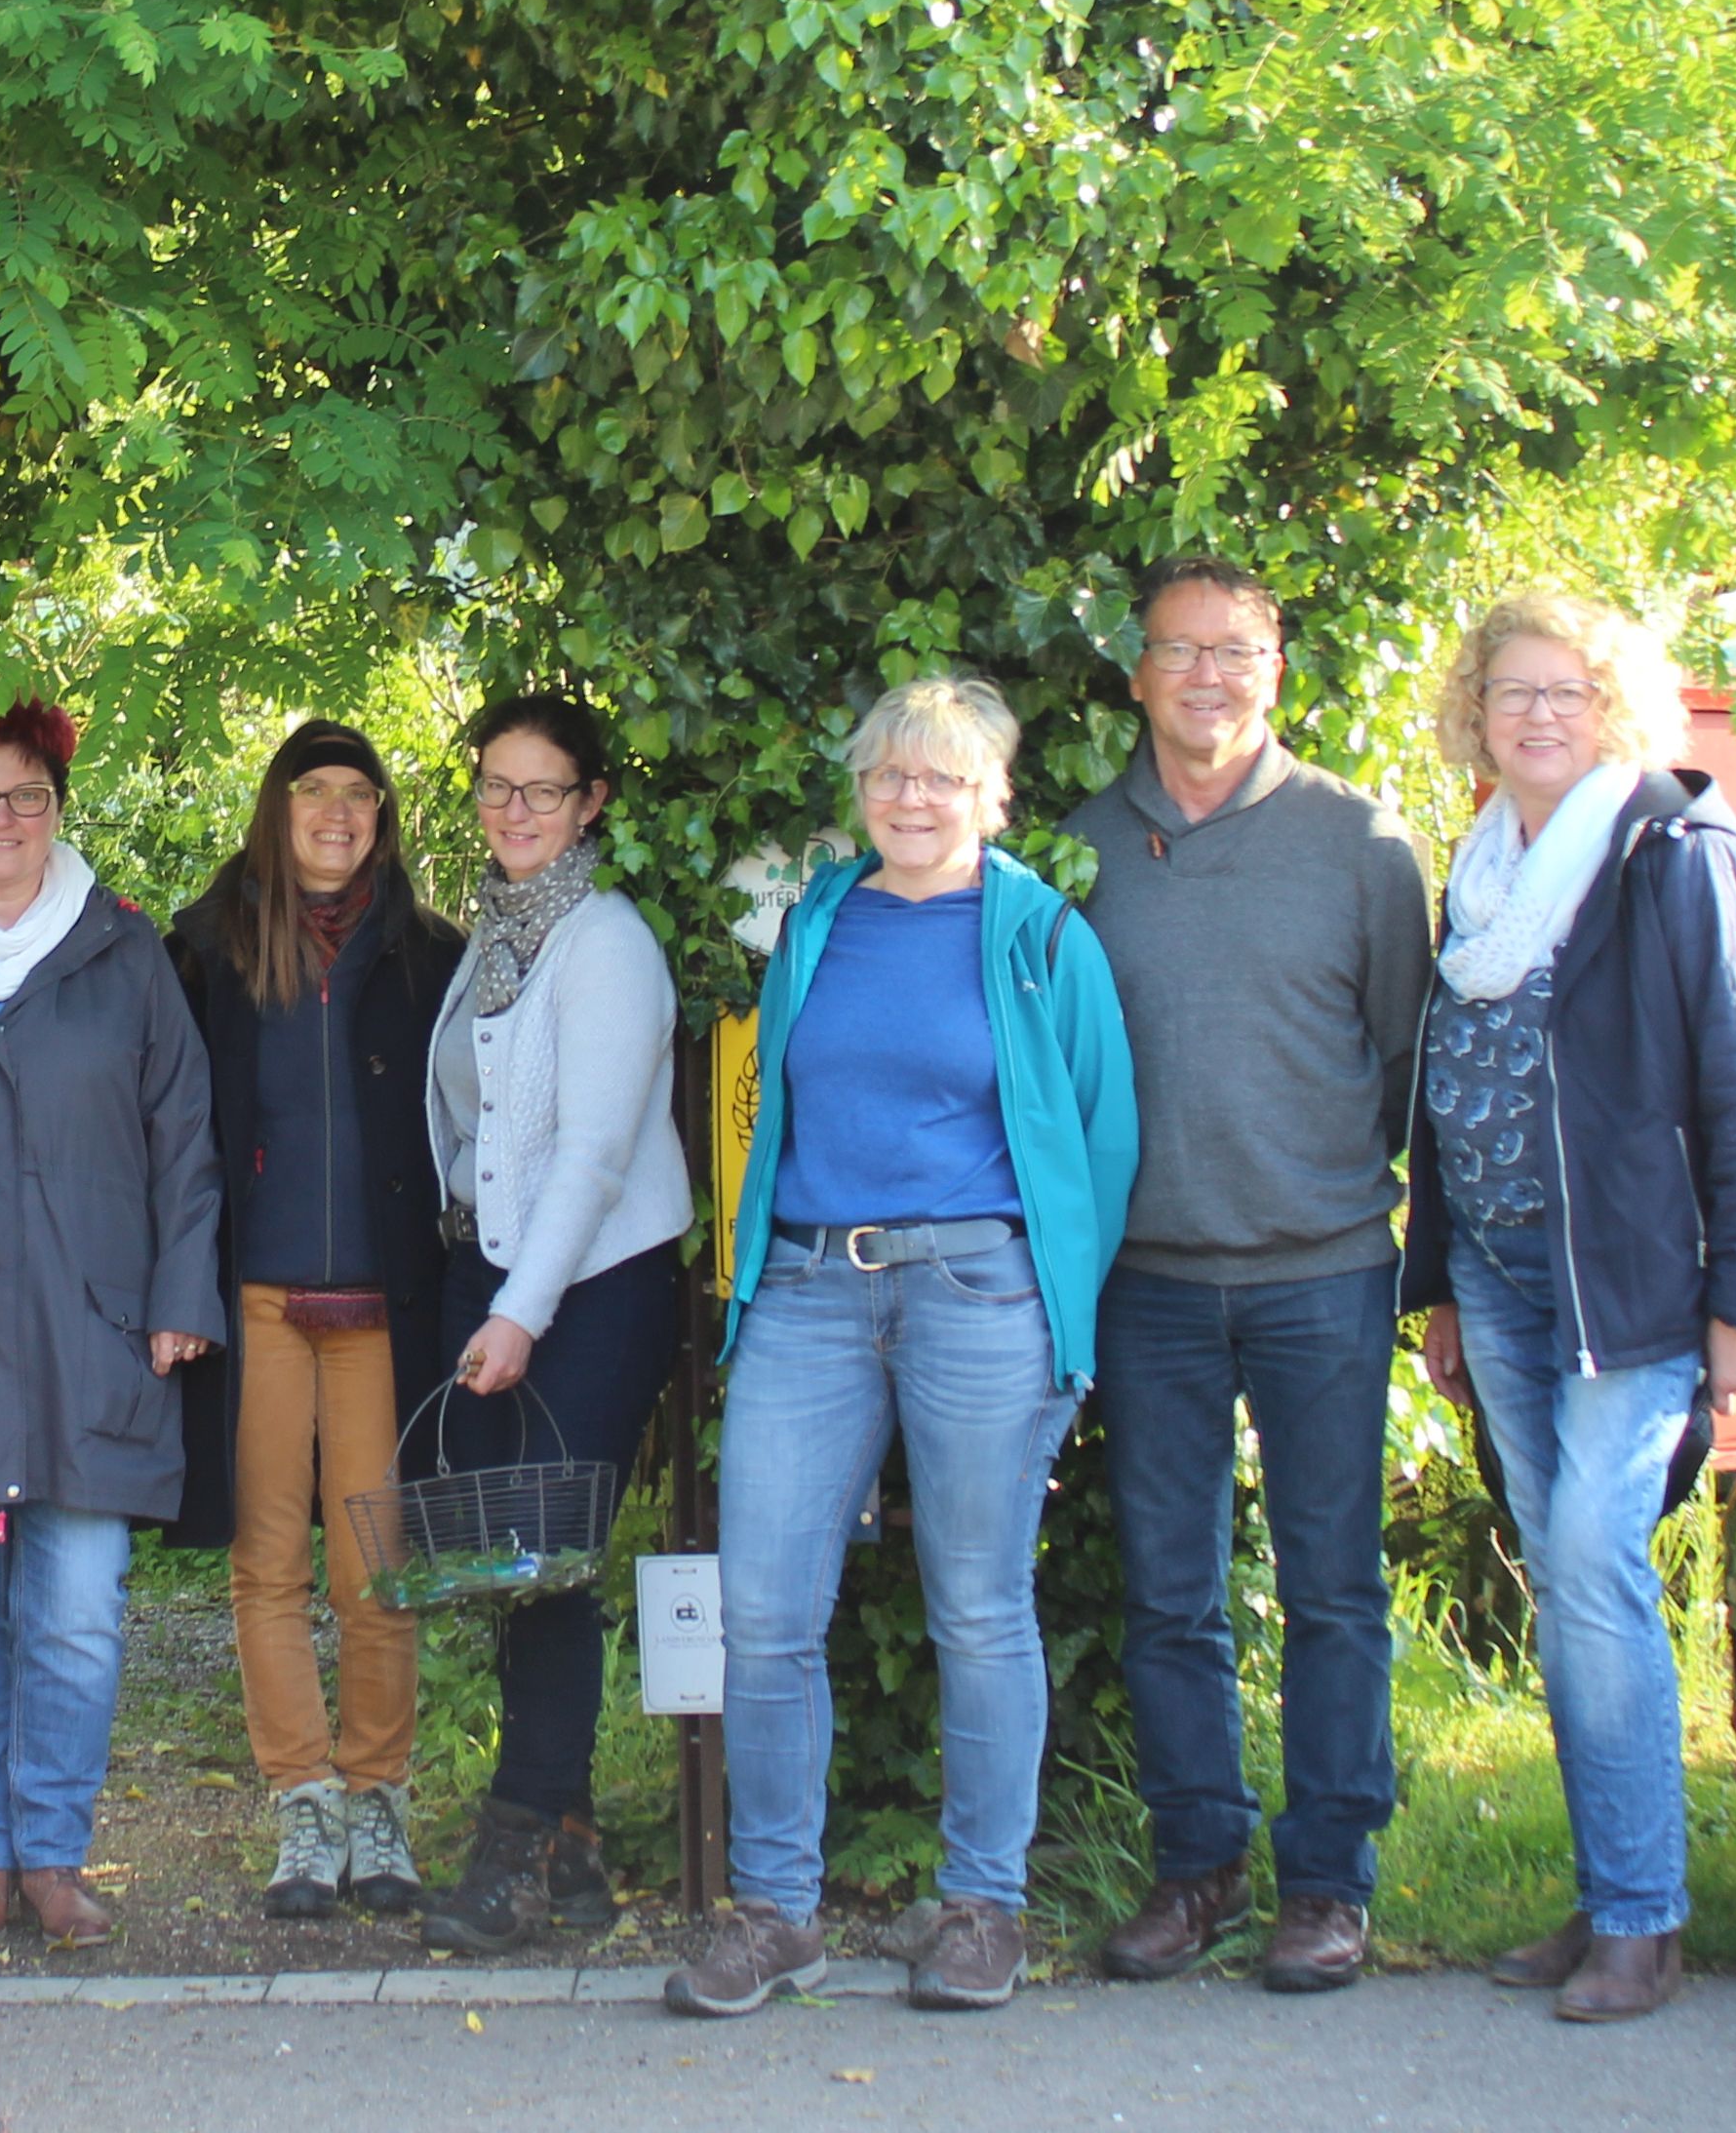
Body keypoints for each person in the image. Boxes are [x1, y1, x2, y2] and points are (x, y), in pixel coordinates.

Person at [666, 678, 1138, 2017]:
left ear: (990, 792)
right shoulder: (817, 922)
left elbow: (1099, 1137)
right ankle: (772, 1913)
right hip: (810, 1292)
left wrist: (1058, 1308)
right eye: (888, 776)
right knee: (761, 1612)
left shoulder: (1042, 936)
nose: (911, 799)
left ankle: (981, 1905)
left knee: (978, 1608)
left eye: (941, 778)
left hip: (977, 1297)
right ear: (861, 790)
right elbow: (770, 1108)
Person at [1406, 594, 1736, 2022]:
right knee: (1568, 1589)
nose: (1534, 714)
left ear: (1615, 709)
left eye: (1567, 692)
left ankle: (1642, 1920)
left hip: (1631, 1293)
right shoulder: (1477, 868)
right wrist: (1441, 1283)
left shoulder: (1670, 853)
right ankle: (1605, 1896)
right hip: (1507, 1288)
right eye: (1511, 690)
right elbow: (1451, 1094)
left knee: (1590, 1566)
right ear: (1474, 707)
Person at [1065, 552, 1434, 1995]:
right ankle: (1194, 1867)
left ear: (1273, 671)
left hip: (1320, 1275)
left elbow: (1407, 1067)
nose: (1205, 676)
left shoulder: (1358, 845)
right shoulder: (1081, 848)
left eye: (1234, 652)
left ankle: (1327, 1884)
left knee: (1333, 1591)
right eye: (1177, 650)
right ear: (1135, 673)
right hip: (1144, 1283)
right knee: (1167, 1595)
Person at [0, 700, 222, 1952]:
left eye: (27, 797)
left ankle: (56, 1851)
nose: (0, 820)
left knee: (75, 1605)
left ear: (59, 810)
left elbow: (185, 1134)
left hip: (97, 1325)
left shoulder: (122, 952)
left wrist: (181, 1296)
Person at [166, 720, 463, 1919]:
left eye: (359, 795)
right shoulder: (207, 946)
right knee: (267, 1557)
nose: (337, 813)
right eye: (313, 792)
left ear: (384, 818)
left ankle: (379, 1793)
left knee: (377, 1563)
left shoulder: (432, 954)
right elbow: (174, 1133)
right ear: (277, 809)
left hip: (387, 1301)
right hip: (260, 1297)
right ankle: (303, 1802)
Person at [416, 695, 690, 1955]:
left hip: (590, 1290)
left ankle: (509, 1852)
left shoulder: (605, 944)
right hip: (497, 1277)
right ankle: (570, 1848)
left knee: (543, 1562)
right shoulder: (494, 939)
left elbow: (588, 1158)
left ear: (590, 803)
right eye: (493, 786)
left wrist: (519, 1315)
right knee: (521, 1574)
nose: (512, 811)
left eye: (540, 789)